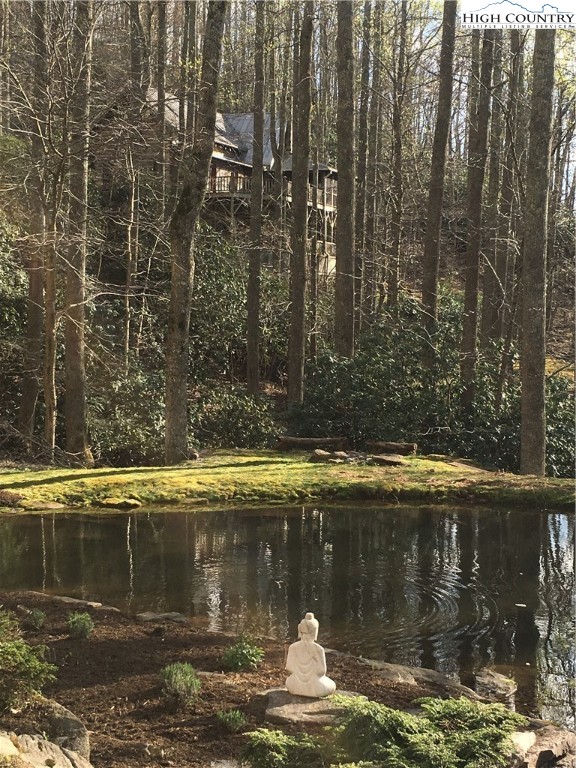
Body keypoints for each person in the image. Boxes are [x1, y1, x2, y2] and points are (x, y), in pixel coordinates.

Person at [285, 612, 336, 698]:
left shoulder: (293, 647)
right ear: (315, 630)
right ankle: (309, 691)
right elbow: (321, 671)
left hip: (294, 686)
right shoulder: (318, 649)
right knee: (332, 685)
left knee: (288, 682)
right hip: (315, 687)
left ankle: (301, 690)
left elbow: (289, 667)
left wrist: (299, 672)